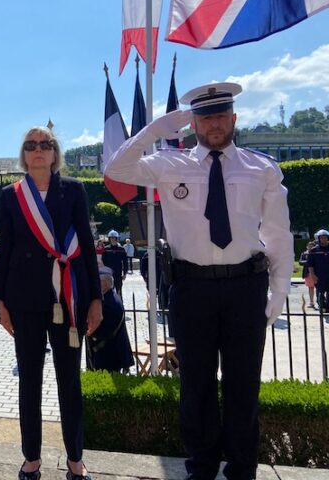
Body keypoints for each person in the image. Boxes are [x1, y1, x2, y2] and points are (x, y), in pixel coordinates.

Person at [105, 82, 293, 480]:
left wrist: (279, 289)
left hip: (245, 286)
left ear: (234, 118)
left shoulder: (261, 168)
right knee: (196, 385)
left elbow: (278, 233)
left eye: (221, 116)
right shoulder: (169, 164)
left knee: (244, 386)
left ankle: (242, 469)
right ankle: (202, 468)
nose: (214, 124)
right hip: (193, 288)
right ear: (193, 122)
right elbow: (115, 170)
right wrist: (153, 131)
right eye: (206, 117)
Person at [0, 126, 102, 480]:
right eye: (31, 145)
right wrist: (0, 300)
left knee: (70, 381)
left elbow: (86, 244)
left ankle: (75, 459)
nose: (38, 150)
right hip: (25, 301)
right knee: (30, 382)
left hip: (69, 298)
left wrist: (96, 300)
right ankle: (31, 459)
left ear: (55, 153)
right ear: (24, 154)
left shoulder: (74, 190)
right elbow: (6, 250)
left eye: (45, 145)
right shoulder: (11, 195)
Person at [86, 267, 133, 373]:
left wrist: (87, 330)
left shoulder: (108, 303)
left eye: (98, 282)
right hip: (111, 353)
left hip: (109, 355)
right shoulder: (111, 297)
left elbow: (102, 331)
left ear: (106, 284)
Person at [307, 230, 329, 312]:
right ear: (319, 239)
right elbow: (310, 265)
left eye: (325, 237)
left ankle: (328, 307)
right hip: (319, 275)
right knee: (320, 292)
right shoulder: (313, 250)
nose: (323, 239)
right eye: (322, 238)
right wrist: (312, 275)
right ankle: (321, 306)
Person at [101, 230, 128, 296]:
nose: (113, 240)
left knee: (119, 290)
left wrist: (124, 273)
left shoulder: (121, 249)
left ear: (117, 239)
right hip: (109, 273)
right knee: (108, 290)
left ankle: (120, 303)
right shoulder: (106, 249)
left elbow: (125, 262)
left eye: (114, 238)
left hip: (118, 273)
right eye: (111, 238)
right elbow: (103, 261)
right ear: (109, 239)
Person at [299, 241, 315, 308]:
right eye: (309, 246)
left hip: (316, 273)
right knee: (310, 287)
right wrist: (308, 262)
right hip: (308, 273)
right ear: (307, 247)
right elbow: (300, 262)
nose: (310, 247)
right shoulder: (304, 254)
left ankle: (320, 301)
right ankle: (311, 302)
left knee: (319, 288)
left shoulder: (316, 253)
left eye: (312, 246)